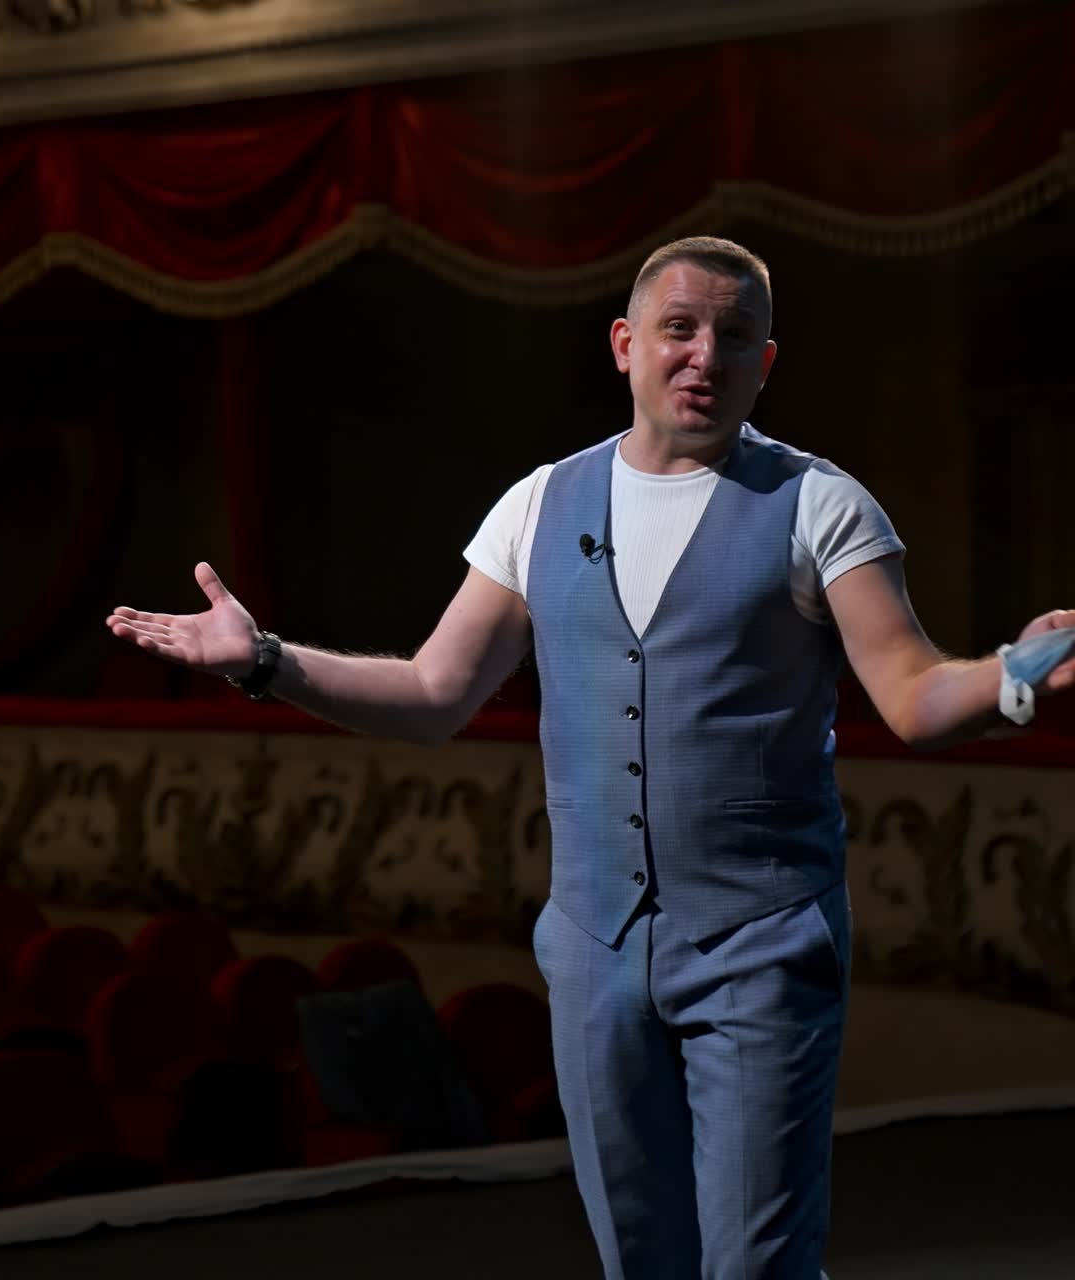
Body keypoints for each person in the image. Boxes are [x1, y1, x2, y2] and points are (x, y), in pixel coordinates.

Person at [106, 236, 1075, 1279]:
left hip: (759, 941)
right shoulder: (539, 504)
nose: (703, 353)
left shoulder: (817, 505)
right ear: (624, 345)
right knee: (638, 1258)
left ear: (764, 361)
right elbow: (434, 694)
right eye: (678, 328)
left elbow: (912, 692)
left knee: (756, 1262)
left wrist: (1013, 679)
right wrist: (264, 660)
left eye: (732, 335)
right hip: (592, 948)